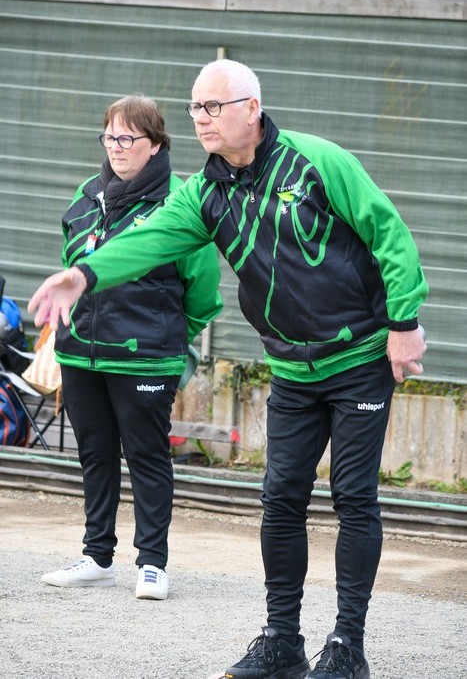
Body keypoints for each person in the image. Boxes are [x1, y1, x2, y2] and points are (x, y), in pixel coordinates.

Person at [29, 61, 428, 678]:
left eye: (214, 106)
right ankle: (282, 642)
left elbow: (389, 234)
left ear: (252, 108)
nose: (202, 119)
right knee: (281, 499)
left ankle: (348, 646)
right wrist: (84, 274)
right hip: (291, 367)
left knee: (353, 497)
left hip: (358, 359)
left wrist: (403, 322)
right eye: (195, 108)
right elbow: (154, 237)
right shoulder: (205, 192)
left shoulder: (317, 161)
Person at [39, 94, 223, 601]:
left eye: (128, 137)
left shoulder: (180, 200)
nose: (116, 147)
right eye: (109, 137)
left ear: (156, 143)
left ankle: (152, 564)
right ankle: (97, 557)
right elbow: (71, 267)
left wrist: (167, 334)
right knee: (95, 455)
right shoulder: (86, 194)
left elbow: (203, 292)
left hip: (146, 358)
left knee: (147, 456)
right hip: (80, 353)